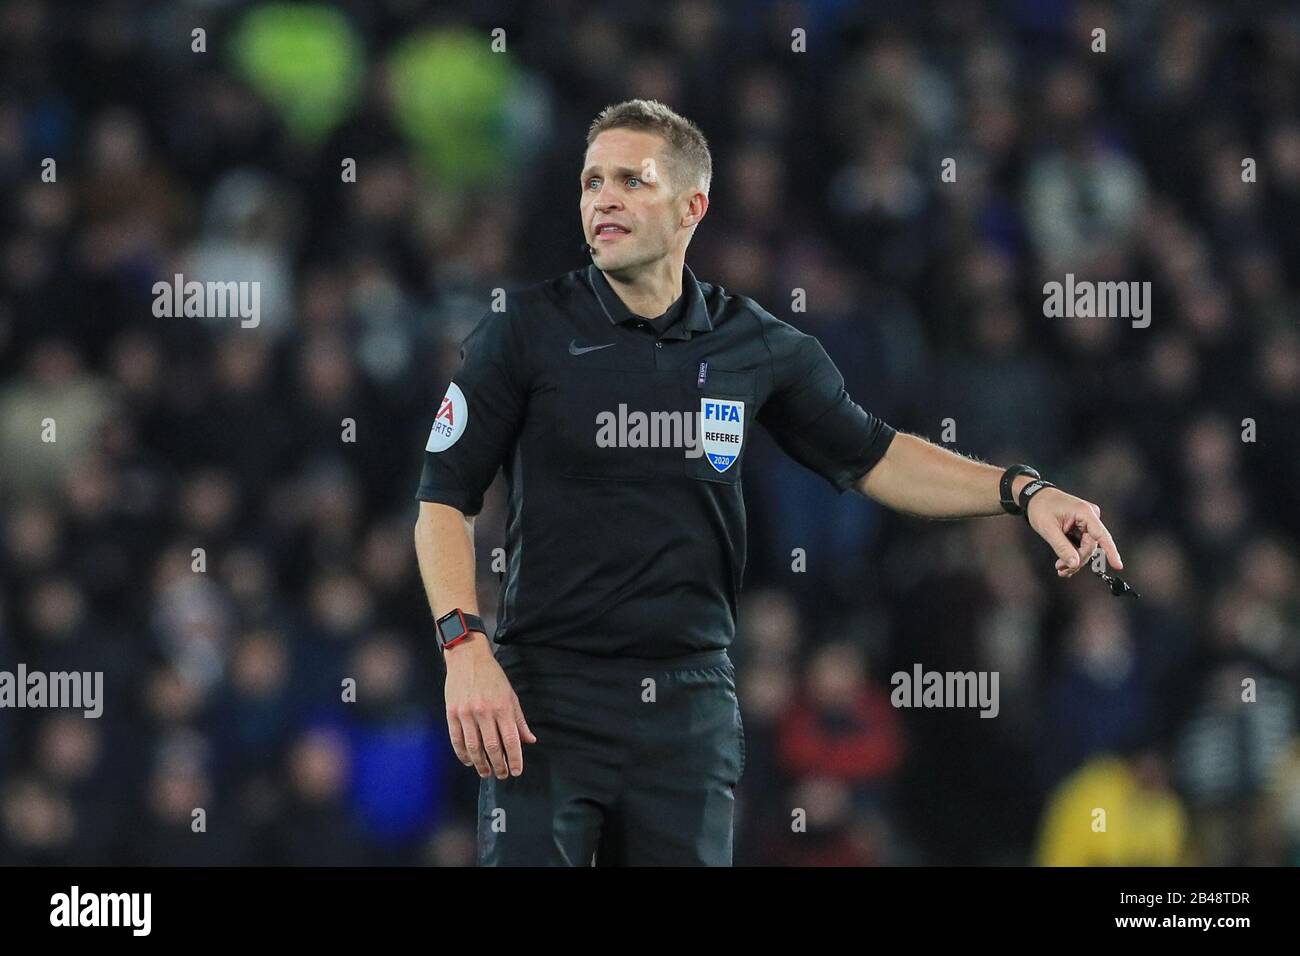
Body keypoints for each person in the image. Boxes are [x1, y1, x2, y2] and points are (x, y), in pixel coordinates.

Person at [412, 99, 1123, 866]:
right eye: (591, 181)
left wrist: (1024, 491)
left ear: (692, 207)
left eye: (631, 180)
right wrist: (463, 646)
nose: (603, 198)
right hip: (546, 697)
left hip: (687, 709)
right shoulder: (522, 331)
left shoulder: (756, 346)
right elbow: (443, 498)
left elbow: (878, 457)